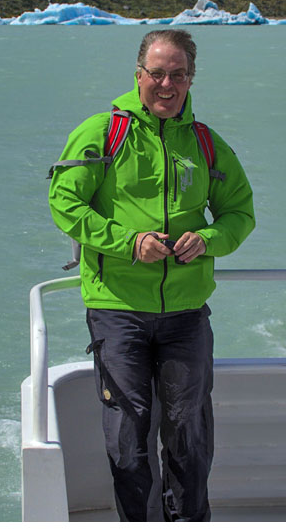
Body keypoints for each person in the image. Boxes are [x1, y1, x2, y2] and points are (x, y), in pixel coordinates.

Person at [48, 29, 256, 521]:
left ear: (191, 79)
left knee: (189, 434)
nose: (167, 84)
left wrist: (205, 240)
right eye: (158, 73)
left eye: (178, 75)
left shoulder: (206, 143)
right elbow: (64, 200)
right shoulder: (104, 132)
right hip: (118, 310)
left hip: (186, 314)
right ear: (138, 74)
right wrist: (128, 242)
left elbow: (239, 214)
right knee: (127, 437)